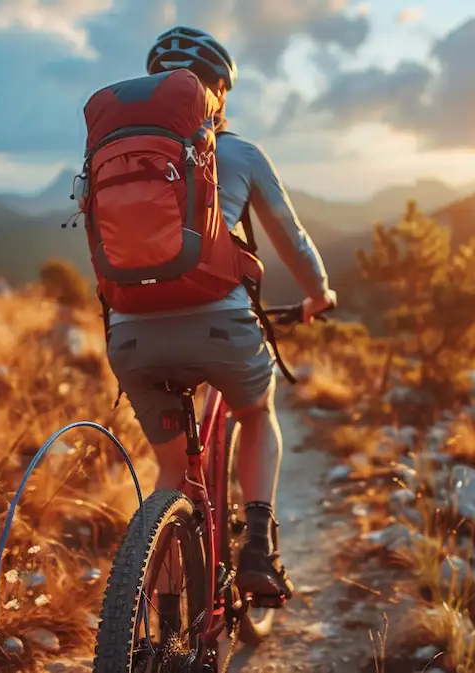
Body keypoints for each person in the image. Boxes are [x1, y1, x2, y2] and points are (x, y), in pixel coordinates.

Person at [105, 26, 336, 608]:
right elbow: (293, 240)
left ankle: (157, 625)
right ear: (220, 94)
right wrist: (319, 294)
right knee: (256, 412)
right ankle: (259, 545)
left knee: (171, 470)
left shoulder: (118, 154)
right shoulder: (238, 152)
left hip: (130, 334)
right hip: (221, 328)